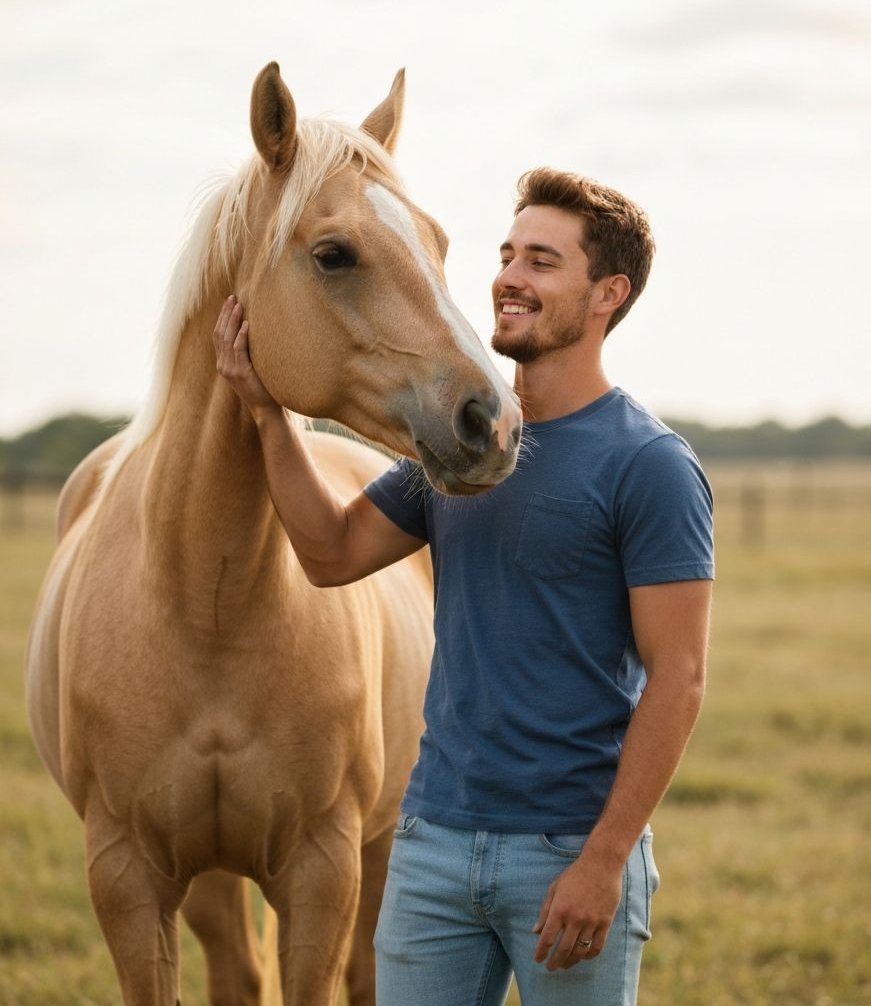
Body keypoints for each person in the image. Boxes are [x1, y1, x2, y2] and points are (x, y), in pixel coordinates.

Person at [213, 166, 714, 1006]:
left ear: (607, 294)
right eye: (509, 253)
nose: (510, 277)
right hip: (432, 843)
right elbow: (330, 553)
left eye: (544, 262)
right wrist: (270, 416)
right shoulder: (456, 453)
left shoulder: (648, 465)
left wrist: (604, 862)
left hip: (568, 850)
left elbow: (680, 678)